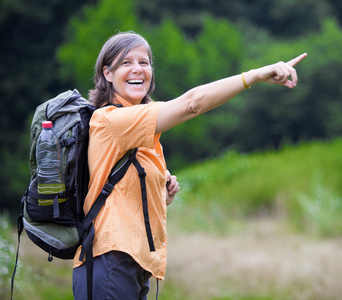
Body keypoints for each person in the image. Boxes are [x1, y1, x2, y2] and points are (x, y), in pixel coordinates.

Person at [72, 31, 307, 299]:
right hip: (109, 262)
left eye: (144, 62)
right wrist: (253, 76)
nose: (137, 69)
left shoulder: (140, 134)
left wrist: (162, 196)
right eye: (126, 63)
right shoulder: (111, 120)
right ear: (107, 74)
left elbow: (118, 194)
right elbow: (192, 104)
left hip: (129, 264)